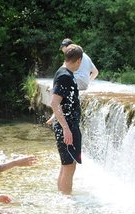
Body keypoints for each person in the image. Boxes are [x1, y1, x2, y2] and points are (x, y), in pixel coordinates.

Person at [49, 45, 84, 194]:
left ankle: (63, 196)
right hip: (67, 127)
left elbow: (59, 101)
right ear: (79, 60)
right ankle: (67, 198)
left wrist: (55, 116)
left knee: (66, 165)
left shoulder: (61, 71)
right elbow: (54, 102)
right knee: (69, 166)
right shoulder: (65, 76)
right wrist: (66, 128)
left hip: (66, 125)